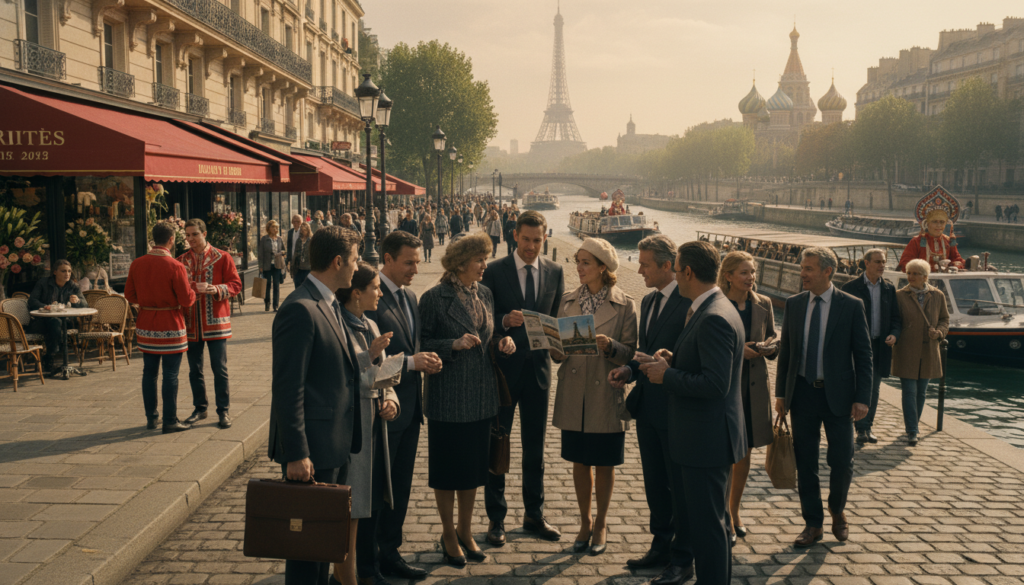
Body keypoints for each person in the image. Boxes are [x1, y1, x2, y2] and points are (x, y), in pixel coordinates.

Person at [638, 240, 746, 584]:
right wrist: (676, 361)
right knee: (709, 524)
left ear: (686, 271)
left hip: (705, 441)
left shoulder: (712, 315)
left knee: (708, 529)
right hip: (710, 437)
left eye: (677, 268)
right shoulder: (717, 305)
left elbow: (715, 384)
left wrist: (666, 375)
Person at [268, 226, 363, 585]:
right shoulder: (301, 309)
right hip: (312, 451)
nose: (357, 267)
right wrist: (296, 453)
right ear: (338, 261)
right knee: (307, 556)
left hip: (334, 444)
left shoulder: (328, 301)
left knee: (323, 546)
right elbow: (287, 388)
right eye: (354, 260)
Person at [419, 233, 516, 567]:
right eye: (479, 260)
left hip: (481, 398)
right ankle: (448, 532)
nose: (484, 266)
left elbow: (487, 334)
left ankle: (465, 529)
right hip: (448, 398)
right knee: (448, 470)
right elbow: (423, 341)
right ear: (460, 263)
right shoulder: (434, 297)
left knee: (475, 469)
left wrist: (502, 342)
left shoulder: (485, 294)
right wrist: (451, 346)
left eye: (486, 259)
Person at [775, 247, 872, 547]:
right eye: (802, 268)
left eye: (809, 268)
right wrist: (781, 393)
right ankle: (813, 523)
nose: (802, 273)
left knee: (842, 460)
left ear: (827, 271)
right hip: (803, 394)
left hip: (840, 397)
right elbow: (787, 353)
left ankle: (837, 510)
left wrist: (862, 398)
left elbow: (864, 355)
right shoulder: (794, 304)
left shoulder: (851, 305)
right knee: (806, 463)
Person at [359, 231, 442, 584]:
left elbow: (413, 344)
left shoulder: (410, 296)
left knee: (401, 487)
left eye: (418, 261)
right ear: (387, 259)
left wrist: (428, 359)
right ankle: (367, 562)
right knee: (377, 491)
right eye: (408, 262)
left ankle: (390, 552)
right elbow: (366, 363)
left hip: (410, 410)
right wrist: (411, 362)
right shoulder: (370, 301)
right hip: (384, 412)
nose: (415, 268)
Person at [608, 235, 692, 582]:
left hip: (675, 408)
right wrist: (629, 370)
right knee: (655, 483)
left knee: (679, 486)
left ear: (667, 265)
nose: (638, 269)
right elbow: (646, 349)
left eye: (644, 264)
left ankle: (683, 556)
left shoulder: (689, 302)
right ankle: (661, 544)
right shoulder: (649, 299)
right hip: (648, 407)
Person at [480, 210, 565, 546]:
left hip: (539, 374)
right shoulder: (496, 270)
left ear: (545, 238)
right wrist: (503, 321)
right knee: (498, 445)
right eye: (526, 239)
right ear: (514, 235)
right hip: (503, 372)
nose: (531, 246)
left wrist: (566, 345)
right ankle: (496, 519)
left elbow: (556, 319)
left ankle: (534, 514)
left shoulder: (556, 272)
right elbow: (483, 316)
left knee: (535, 449)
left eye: (538, 240)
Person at [552, 238, 637, 556]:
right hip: (575, 391)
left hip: (605, 391)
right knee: (579, 460)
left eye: (586, 262)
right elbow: (558, 351)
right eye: (578, 261)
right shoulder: (567, 299)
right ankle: (585, 521)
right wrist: (554, 348)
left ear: (603, 267)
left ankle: (601, 522)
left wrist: (611, 347)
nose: (580, 267)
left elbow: (631, 352)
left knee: (604, 462)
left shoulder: (625, 303)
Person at [334, 262, 401, 585]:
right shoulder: (338, 326)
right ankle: (349, 574)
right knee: (353, 505)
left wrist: (390, 400)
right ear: (357, 293)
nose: (381, 292)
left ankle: (366, 567)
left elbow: (383, 375)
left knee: (372, 500)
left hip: (376, 427)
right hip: (353, 431)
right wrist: (368, 356)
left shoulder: (371, 325)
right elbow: (339, 379)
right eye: (375, 287)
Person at [718, 251, 778, 544]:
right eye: (744, 273)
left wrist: (770, 346)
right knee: (722, 451)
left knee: (744, 453)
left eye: (753, 272)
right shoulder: (716, 302)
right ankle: (719, 510)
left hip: (752, 387)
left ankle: (733, 511)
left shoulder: (763, 303)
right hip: (724, 384)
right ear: (728, 276)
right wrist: (741, 351)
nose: (750, 278)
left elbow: (774, 337)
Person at [125, 222, 197, 433]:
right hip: (170, 323)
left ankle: (151, 418)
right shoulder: (176, 266)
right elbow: (186, 299)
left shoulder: (137, 263)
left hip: (146, 323)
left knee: (149, 373)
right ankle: (170, 420)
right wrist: (193, 289)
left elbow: (129, 295)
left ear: (153, 238)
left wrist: (147, 301)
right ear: (171, 239)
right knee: (171, 375)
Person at [178, 219, 243, 430]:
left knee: (219, 368)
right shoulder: (181, 261)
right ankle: (200, 408)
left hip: (216, 322)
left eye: (194, 235)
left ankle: (223, 411)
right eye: (187, 235)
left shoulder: (222, 258)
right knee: (194, 369)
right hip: (191, 323)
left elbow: (236, 284)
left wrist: (217, 290)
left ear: (205, 234)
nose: (190, 239)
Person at [841, 249, 901, 444]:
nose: (882, 265)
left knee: (873, 388)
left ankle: (865, 427)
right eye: (877, 262)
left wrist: (894, 334)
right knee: (853, 385)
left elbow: (895, 318)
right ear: (866, 263)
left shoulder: (889, 289)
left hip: (879, 345)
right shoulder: (851, 287)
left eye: (883, 262)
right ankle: (849, 424)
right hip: (855, 346)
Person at [891, 259, 949, 446]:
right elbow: (895, 321)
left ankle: (913, 426)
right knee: (909, 391)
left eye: (915, 273)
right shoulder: (900, 296)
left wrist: (939, 332)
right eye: (909, 273)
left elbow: (944, 320)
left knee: (921, 392)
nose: (911, 277)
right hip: (907, 349)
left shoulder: (937, 295)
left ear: (925, 276)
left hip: (929, 351)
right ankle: (912, 431)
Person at [28, 260, 88, 371]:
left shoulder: (73, 286)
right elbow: (32, 301)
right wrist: (45, 306)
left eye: (69, 271)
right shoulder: (43, 283)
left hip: (65, 322)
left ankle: (50, 357)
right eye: (63, 271)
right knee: (55, 323)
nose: (67, 274)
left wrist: (77, 301)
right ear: (55, 272)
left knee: (58, 324)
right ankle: (51, 356)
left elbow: (85, 304)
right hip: (41, 322)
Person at [898, 206, 964, 272]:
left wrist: (955, 266)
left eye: (942, 222)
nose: (939, 225)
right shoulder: (916, 241)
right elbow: (905, 263)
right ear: (927, 223)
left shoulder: (948, 241)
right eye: (935, 222)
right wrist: (928, 268)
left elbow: (957, 259)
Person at [258, 220, 286, 311]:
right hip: (267, 265)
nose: (275, 229)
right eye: (273, 227)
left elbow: (284, 250)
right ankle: (267, 303)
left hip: (277, 265)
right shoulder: (264, 239)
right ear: (269, 228)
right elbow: (260, 254)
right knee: (267, 285)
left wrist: (282, 253)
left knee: (276, 286)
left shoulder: (279, 239)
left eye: (276, 227)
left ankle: (275, 305)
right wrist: (260, 266)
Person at [291, 222, 313, 288]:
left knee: (306, 287)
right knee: (297, 285)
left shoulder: (311, 240)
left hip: (308, 268)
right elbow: (295, 253)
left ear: (308, 230)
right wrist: (292, 266)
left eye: (304, 230)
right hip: (298, 267)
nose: (303, 232)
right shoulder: (299, 240)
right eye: (302, 230)